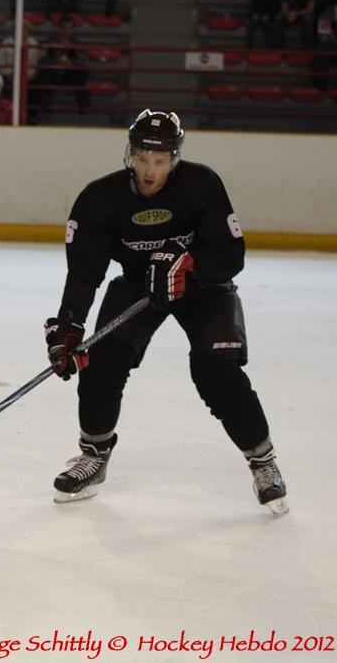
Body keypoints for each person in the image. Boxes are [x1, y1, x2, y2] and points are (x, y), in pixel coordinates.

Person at [43, 110, 288, 516]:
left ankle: (262, 461)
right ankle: (94, 455)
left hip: (202, 288)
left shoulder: (202, 184)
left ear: (174, 158)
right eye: (141, 158)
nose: (149, 170)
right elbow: (84, 273)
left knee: (216, 369)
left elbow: (230, 254)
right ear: (129, 153)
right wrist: (69, 324)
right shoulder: (99, 198)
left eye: (159, 161)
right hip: (139, 286)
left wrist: (190, 268)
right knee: (101, 357)